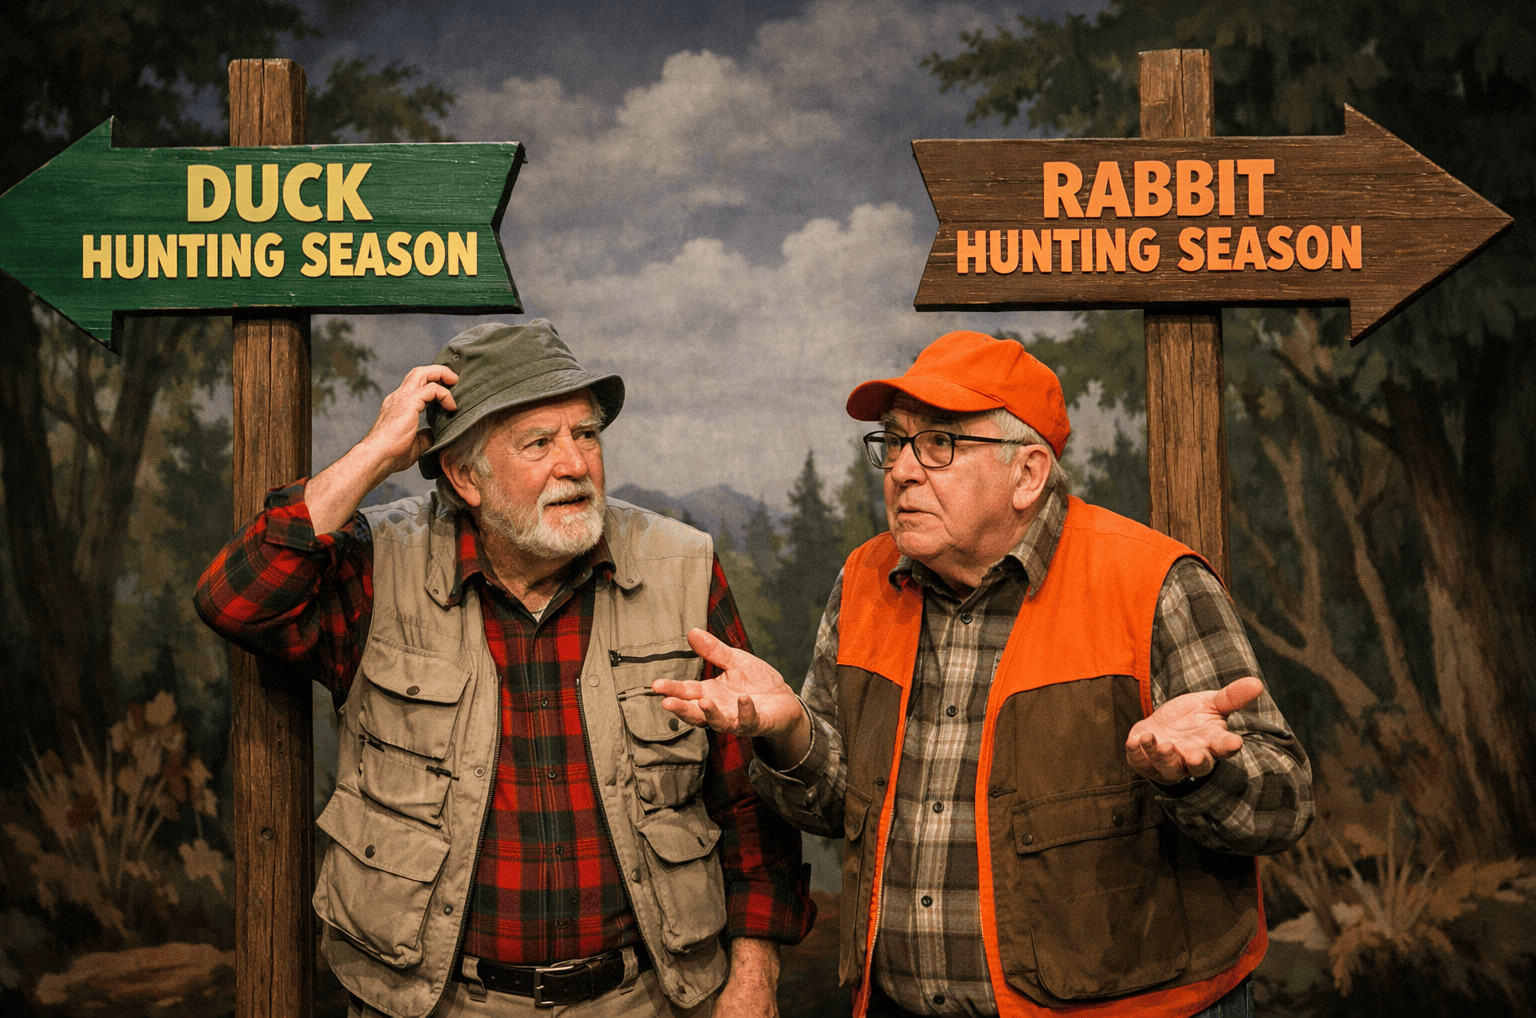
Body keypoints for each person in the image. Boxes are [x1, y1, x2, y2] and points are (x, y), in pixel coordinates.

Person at [653, 330, 1313, 1018]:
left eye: (939, 444)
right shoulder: (864, 581)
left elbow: (1284, 804)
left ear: (1028, 474)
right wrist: (791, 735)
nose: (902, 470)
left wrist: (1200, 774)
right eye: (895, 442)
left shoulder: (1152, 583)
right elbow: (833, 808)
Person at [196, 320, 813, 1018]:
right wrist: (375, 453)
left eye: (586, 435)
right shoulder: (379, 566)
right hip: (433, 1002)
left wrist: (754, 975)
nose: (576, 464)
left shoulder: (683, 567)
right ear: (465, 477)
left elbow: (744, 798)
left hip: (645, 998)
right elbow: (236, 600)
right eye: (539, 443)